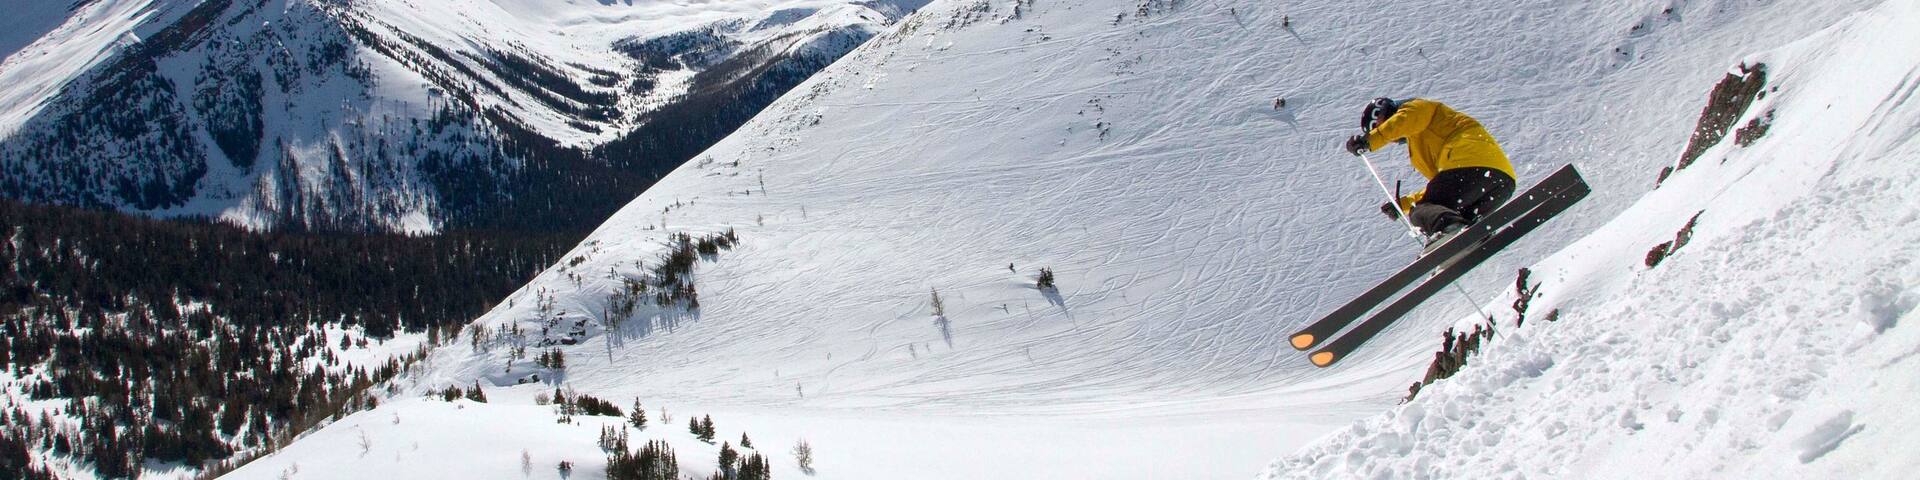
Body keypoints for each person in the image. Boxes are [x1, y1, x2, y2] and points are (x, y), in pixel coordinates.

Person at [1344, 97, 1516, 243]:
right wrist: (1404, 203)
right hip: (1500, 181)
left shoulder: (1417, 108)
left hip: (1472, 165)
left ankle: (1450, 232)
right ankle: (1471, 242)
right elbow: (1443, 185)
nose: (1390, 136)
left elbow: (1402, 122)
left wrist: (1369, 140)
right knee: (1451, 214)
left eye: (1382, 124)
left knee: (1421, 213)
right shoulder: (1419, 144)